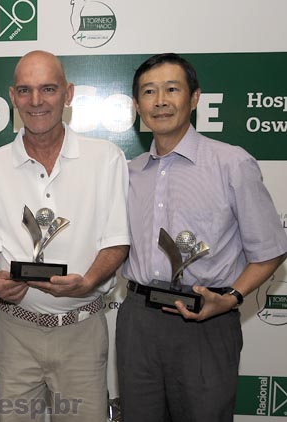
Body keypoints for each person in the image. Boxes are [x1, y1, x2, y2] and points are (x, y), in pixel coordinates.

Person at [117, 52, 287, 422]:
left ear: (194, 98)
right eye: (149, 92)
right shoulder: (129, 173)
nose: (160, 101)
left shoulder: (231, 163)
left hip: (205, 319)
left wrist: (232, 299)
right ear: (137, 105)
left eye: (171, 89)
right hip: (138, 322)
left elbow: (271, 250)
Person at [0, 50, 130, 421]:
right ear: (12, 96)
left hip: (81, 330)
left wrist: (89, 281)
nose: (36, 101)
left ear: (68, 94)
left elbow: (117, 240)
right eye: (25, 90)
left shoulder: (106, 158)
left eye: (48, 89)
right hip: (15, 330)